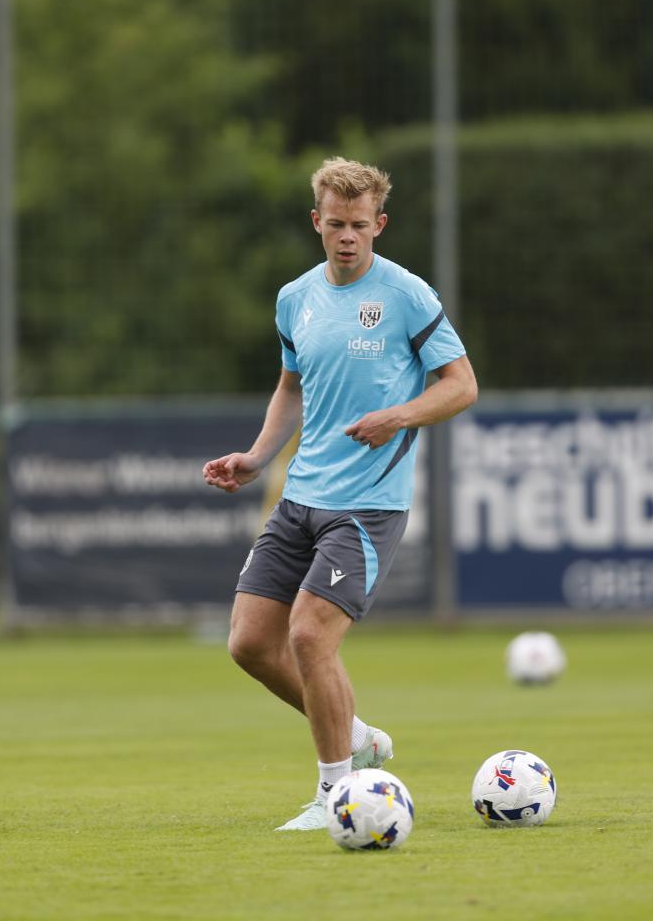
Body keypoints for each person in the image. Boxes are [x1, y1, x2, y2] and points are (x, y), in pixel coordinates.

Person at [202, 156, 477, 831]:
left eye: (359, 224)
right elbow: (291, 388)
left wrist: (398, 416)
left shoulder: (408, 295)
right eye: (335, 224)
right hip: (300, 497)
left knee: (308, 636)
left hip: (367, 506)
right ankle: (357, 736)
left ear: (379, 224)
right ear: (316, 223)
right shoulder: (295, 298)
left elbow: (461, 384)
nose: (347, 236)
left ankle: (337, 795)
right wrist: (257, 456)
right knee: (249, 644)